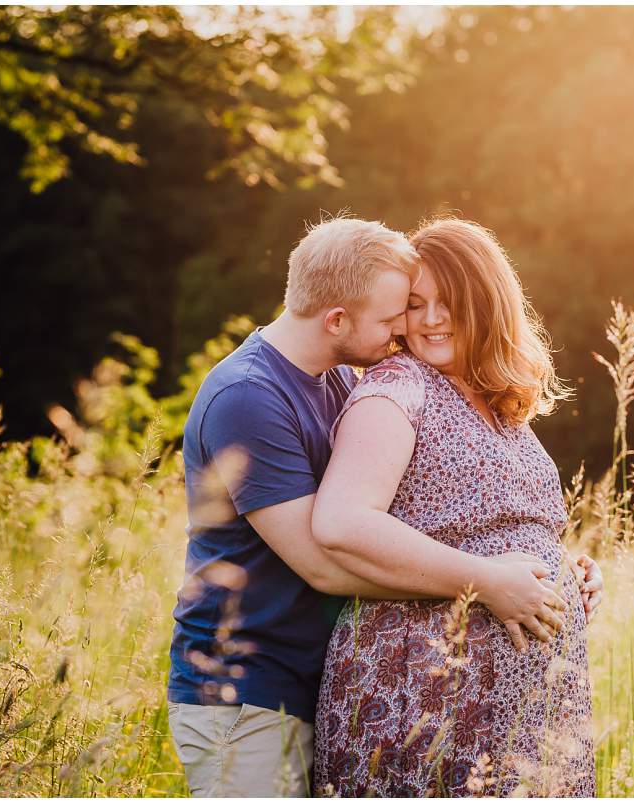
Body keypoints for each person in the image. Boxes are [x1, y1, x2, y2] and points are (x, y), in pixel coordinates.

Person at [166, 216, 603, 797]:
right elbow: (326, 560)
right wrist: (490, 583)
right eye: (399, 310)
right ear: (338, 320)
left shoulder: (337, 379)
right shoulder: (248, 397)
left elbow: (427, 509)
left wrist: (553, 577)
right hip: (246, 689)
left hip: (305, 674)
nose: (409, 327)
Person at [313, 218, 596, 797]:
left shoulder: (503, 405)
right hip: (424, 697)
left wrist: (569, 571)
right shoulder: (397, 387)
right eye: (416, 305)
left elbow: (496, 524)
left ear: (489, 304)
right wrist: (488, 579)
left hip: (528, 708)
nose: (432, 319)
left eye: (450, 302)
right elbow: (341, 520)